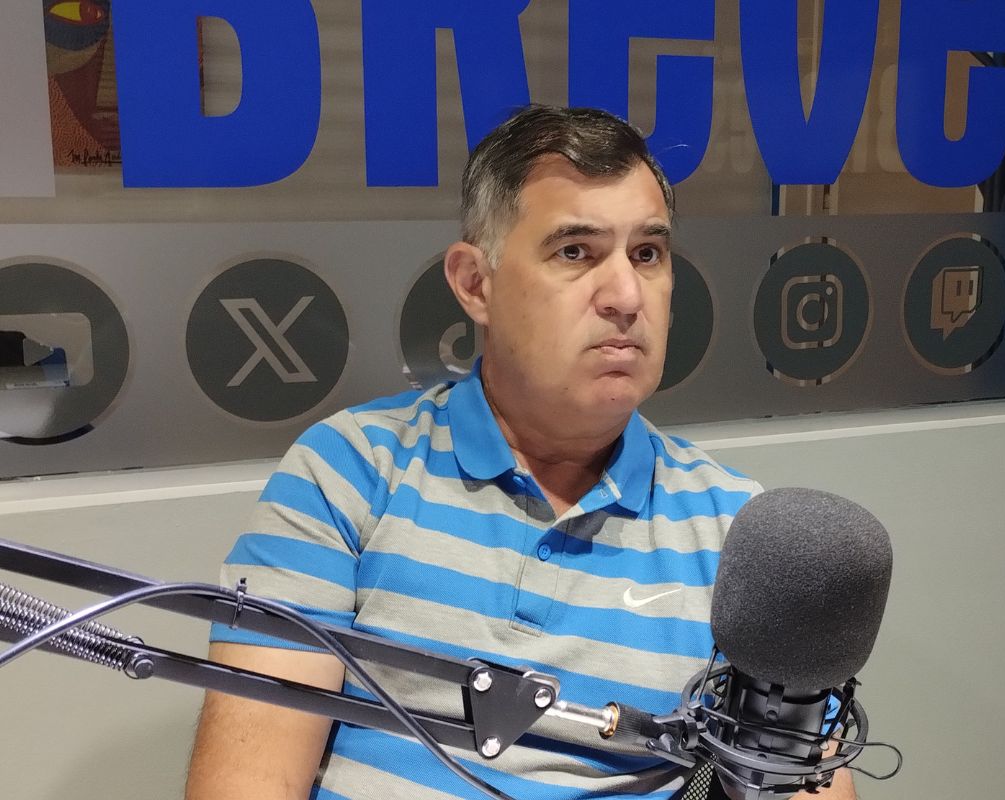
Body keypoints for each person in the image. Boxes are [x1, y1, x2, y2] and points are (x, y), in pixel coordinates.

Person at [185, 105, 855, 800]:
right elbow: (245, 784)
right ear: (476, 284)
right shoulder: (348, 473)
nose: (626, 295)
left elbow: (807, 785)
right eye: (576, 252)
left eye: (647, 254)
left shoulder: (740, 533)